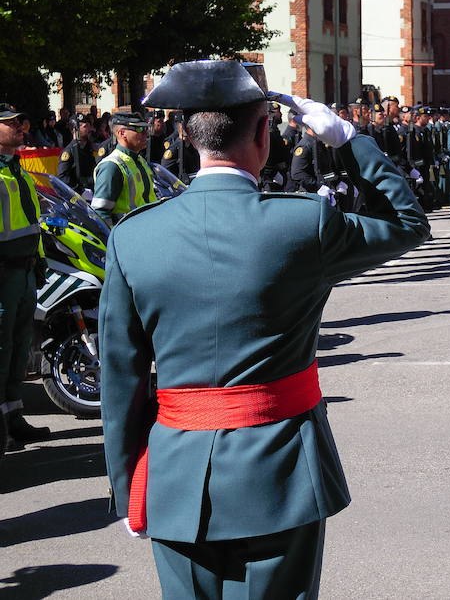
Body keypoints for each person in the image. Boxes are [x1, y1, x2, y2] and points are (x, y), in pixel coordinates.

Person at [100, 60, 430, 598]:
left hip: (174, 475)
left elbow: (120, 379)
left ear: (185, 134)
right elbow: (407, 223)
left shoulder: (133, 237)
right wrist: (346, 139)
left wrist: (127, 487)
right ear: (264, 134)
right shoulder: (302, 223)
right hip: (281, 470)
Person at [0, 104, 51, 452]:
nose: (20, 127)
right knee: (2, 350)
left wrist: (41, 261)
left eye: (20, 121)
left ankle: (14, 419)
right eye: (10, 124)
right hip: (2, 276)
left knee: (19, 351)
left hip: (25, 271)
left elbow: (33, 224)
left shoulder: (17, 169)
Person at [90, 112, 157, 224]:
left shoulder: (139, 160)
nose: (146, 134)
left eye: (146, 129)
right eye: (139, 129)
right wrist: (113, 240)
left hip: (147, 230)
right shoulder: (111, 166)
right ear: (122, 133)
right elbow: (101, 213)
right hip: (128, 235)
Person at [57, 112, 97, 193]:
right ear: (75, 129)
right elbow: (63, 177)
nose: (89, 129)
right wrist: (79, 191)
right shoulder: (68, 152)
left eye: (89, 126)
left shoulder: (89, 148)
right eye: (85, 127)